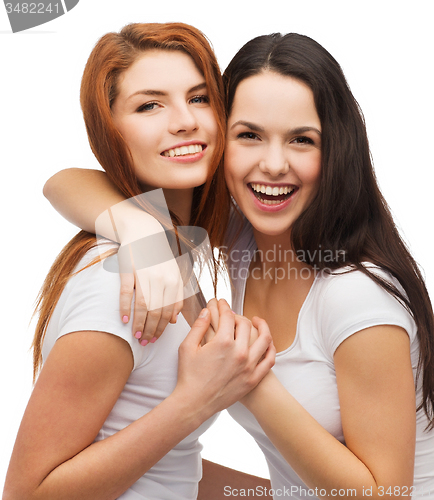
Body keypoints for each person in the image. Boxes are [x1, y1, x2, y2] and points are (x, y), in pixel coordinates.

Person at [42, 33, 434, 496]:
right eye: (249, 135)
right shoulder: (251, 238)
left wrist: (244, 379)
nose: (272, 165)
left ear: (337, 152)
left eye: (302, 140)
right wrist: (139, 229)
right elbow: (62, 183)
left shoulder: (355, 295)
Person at [2, 23, 275, 500]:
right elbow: (28, 493)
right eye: (149, 105)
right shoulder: (121, 283)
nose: (184, 121)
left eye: (198, 97)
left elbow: (166, 469)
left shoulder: (171, 257)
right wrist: (195, 402)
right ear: (110, 131)